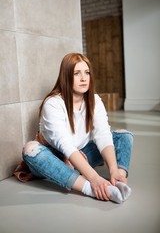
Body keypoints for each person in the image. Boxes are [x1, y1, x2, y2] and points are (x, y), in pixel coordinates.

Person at [22, 53, 133, 204]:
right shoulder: (53, 104)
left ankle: (117, 181)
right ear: (66, 76)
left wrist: (113, 170)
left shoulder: (94, 100)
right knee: (30, 149)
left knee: (123, 135)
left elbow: (103, 135)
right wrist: (94, 179)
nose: (84, 78)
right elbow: (65, 145)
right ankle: (90, 188)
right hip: (56, 160)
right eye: (76, 73)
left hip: (83, 155)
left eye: (87, 72)